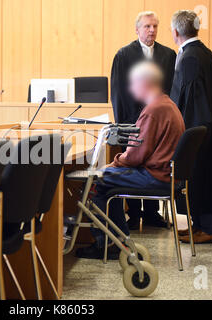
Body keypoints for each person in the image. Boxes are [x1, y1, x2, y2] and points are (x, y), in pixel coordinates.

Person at [76, 61, 185, 260]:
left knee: (95, 180)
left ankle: (106, 244)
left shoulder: (153, 110)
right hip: (166, 176)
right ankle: (119, 240)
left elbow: (135, 156)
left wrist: (113, 163)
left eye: (133, 84)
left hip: (155, 177)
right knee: (106, 182)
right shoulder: (167, 104)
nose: (131, 89)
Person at [110, 11, 177, 229]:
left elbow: (171, 91)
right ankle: (134, 213)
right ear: (137, 29)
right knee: (133, 162)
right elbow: (118, 92)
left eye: (155, 26)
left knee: (153, 163)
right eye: (147, 26)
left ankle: (151, 213)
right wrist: (123, 125)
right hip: (131, 121)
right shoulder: (124, 54)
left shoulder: (168, 55)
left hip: (159, 122)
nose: (152, 30)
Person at [170, 10, 212, 244]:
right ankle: (199, 225)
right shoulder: (206, 53)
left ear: (175, 32)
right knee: (202, 176)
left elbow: (191, 99)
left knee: (200, 176)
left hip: (196, 129)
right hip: (206, 126)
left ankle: (209, 227)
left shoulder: (190, 57)